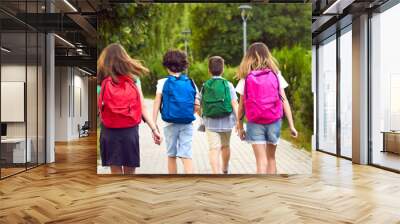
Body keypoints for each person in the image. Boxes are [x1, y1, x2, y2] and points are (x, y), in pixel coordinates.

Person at [98, 43, 161, 175]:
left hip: (109, 131)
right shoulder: (133, 80)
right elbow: (143, 106)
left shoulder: (101, 81)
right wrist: (154, 129)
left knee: (115, 171)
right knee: (130, 171)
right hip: (130, 130)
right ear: (124, 58)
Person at [235, 42, 298, 174]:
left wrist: (240, 127)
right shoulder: (276, 74)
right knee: (271, 159)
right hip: (274, 121)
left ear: (249, 57)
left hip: (254, 122)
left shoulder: (246, 78)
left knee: (261, 161)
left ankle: (262, 190)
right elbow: (284, 100)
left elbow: (241, 107)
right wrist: (292, 125)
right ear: (267, 56)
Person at [152, 50, 200, 174]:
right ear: (184, 65)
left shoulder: (162, 82)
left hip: (170, 124)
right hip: (187, 124)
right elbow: (197, 106)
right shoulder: (191, 82)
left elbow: (157, 102)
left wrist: (154, 123)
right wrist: (186, 114)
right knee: (186, 154)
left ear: (167, 66)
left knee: (171, 155)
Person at [200, 56, 238, 174]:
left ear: (209, 70)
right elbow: (234, 103)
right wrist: (238, 122)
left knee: (213, 149)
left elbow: (199, 103)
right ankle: (225, 170)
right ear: (223, 70)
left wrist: (202, 117)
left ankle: (215, 174)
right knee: (225, 146)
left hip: (210, 123)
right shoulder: (228, 85)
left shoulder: (205, 85)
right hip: (227, 121)